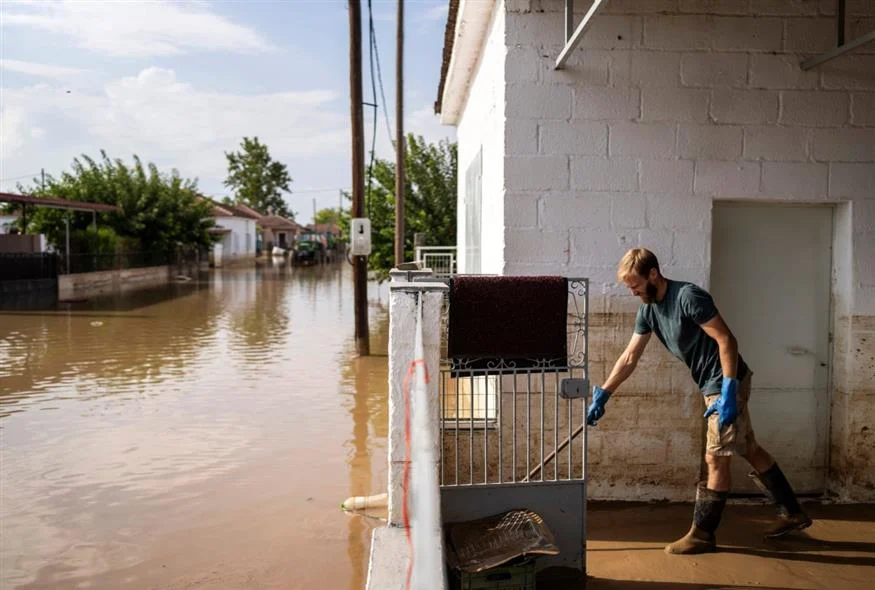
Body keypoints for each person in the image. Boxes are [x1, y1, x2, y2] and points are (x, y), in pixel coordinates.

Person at [586, 247, 812, 555]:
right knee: (748, 446)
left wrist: (730, 390)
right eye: (629, 286)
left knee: (715, 458)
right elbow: (629, 357)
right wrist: (605, 392)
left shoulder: (687, 297)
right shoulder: (649, 309)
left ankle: (703, 534)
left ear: (654, 274)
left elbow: (726, 340)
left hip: (724, 381)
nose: (632, 291)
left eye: (635, 284)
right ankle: (792, 512)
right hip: (713, 384)